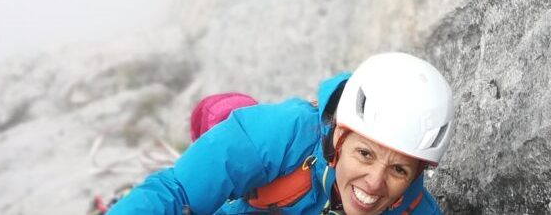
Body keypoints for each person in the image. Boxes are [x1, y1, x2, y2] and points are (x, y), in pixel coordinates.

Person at [106, 52, 455, 214]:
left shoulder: (414, 209)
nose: (375, 183)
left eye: (399, 170)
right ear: (339, 135)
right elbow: (178, 189)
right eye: (365, 154)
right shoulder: (284, 133)